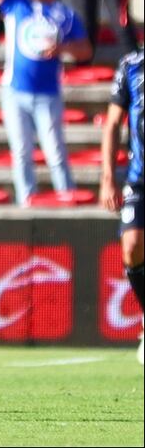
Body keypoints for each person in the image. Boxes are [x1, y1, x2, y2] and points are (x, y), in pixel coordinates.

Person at [0, 0, 91, 205]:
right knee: (21, 151)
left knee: (55, 151)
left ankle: (67, 199)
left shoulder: (66, 14)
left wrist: (63, 48)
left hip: (48, 92)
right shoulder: (17, 4)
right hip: (15, 90)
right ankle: (26, 201)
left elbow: (85, 50)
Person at [99, 47, 144, 365]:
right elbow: (113, 123)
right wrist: (107, 178)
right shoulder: (131, 64)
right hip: (139, 176)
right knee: (132, 247)